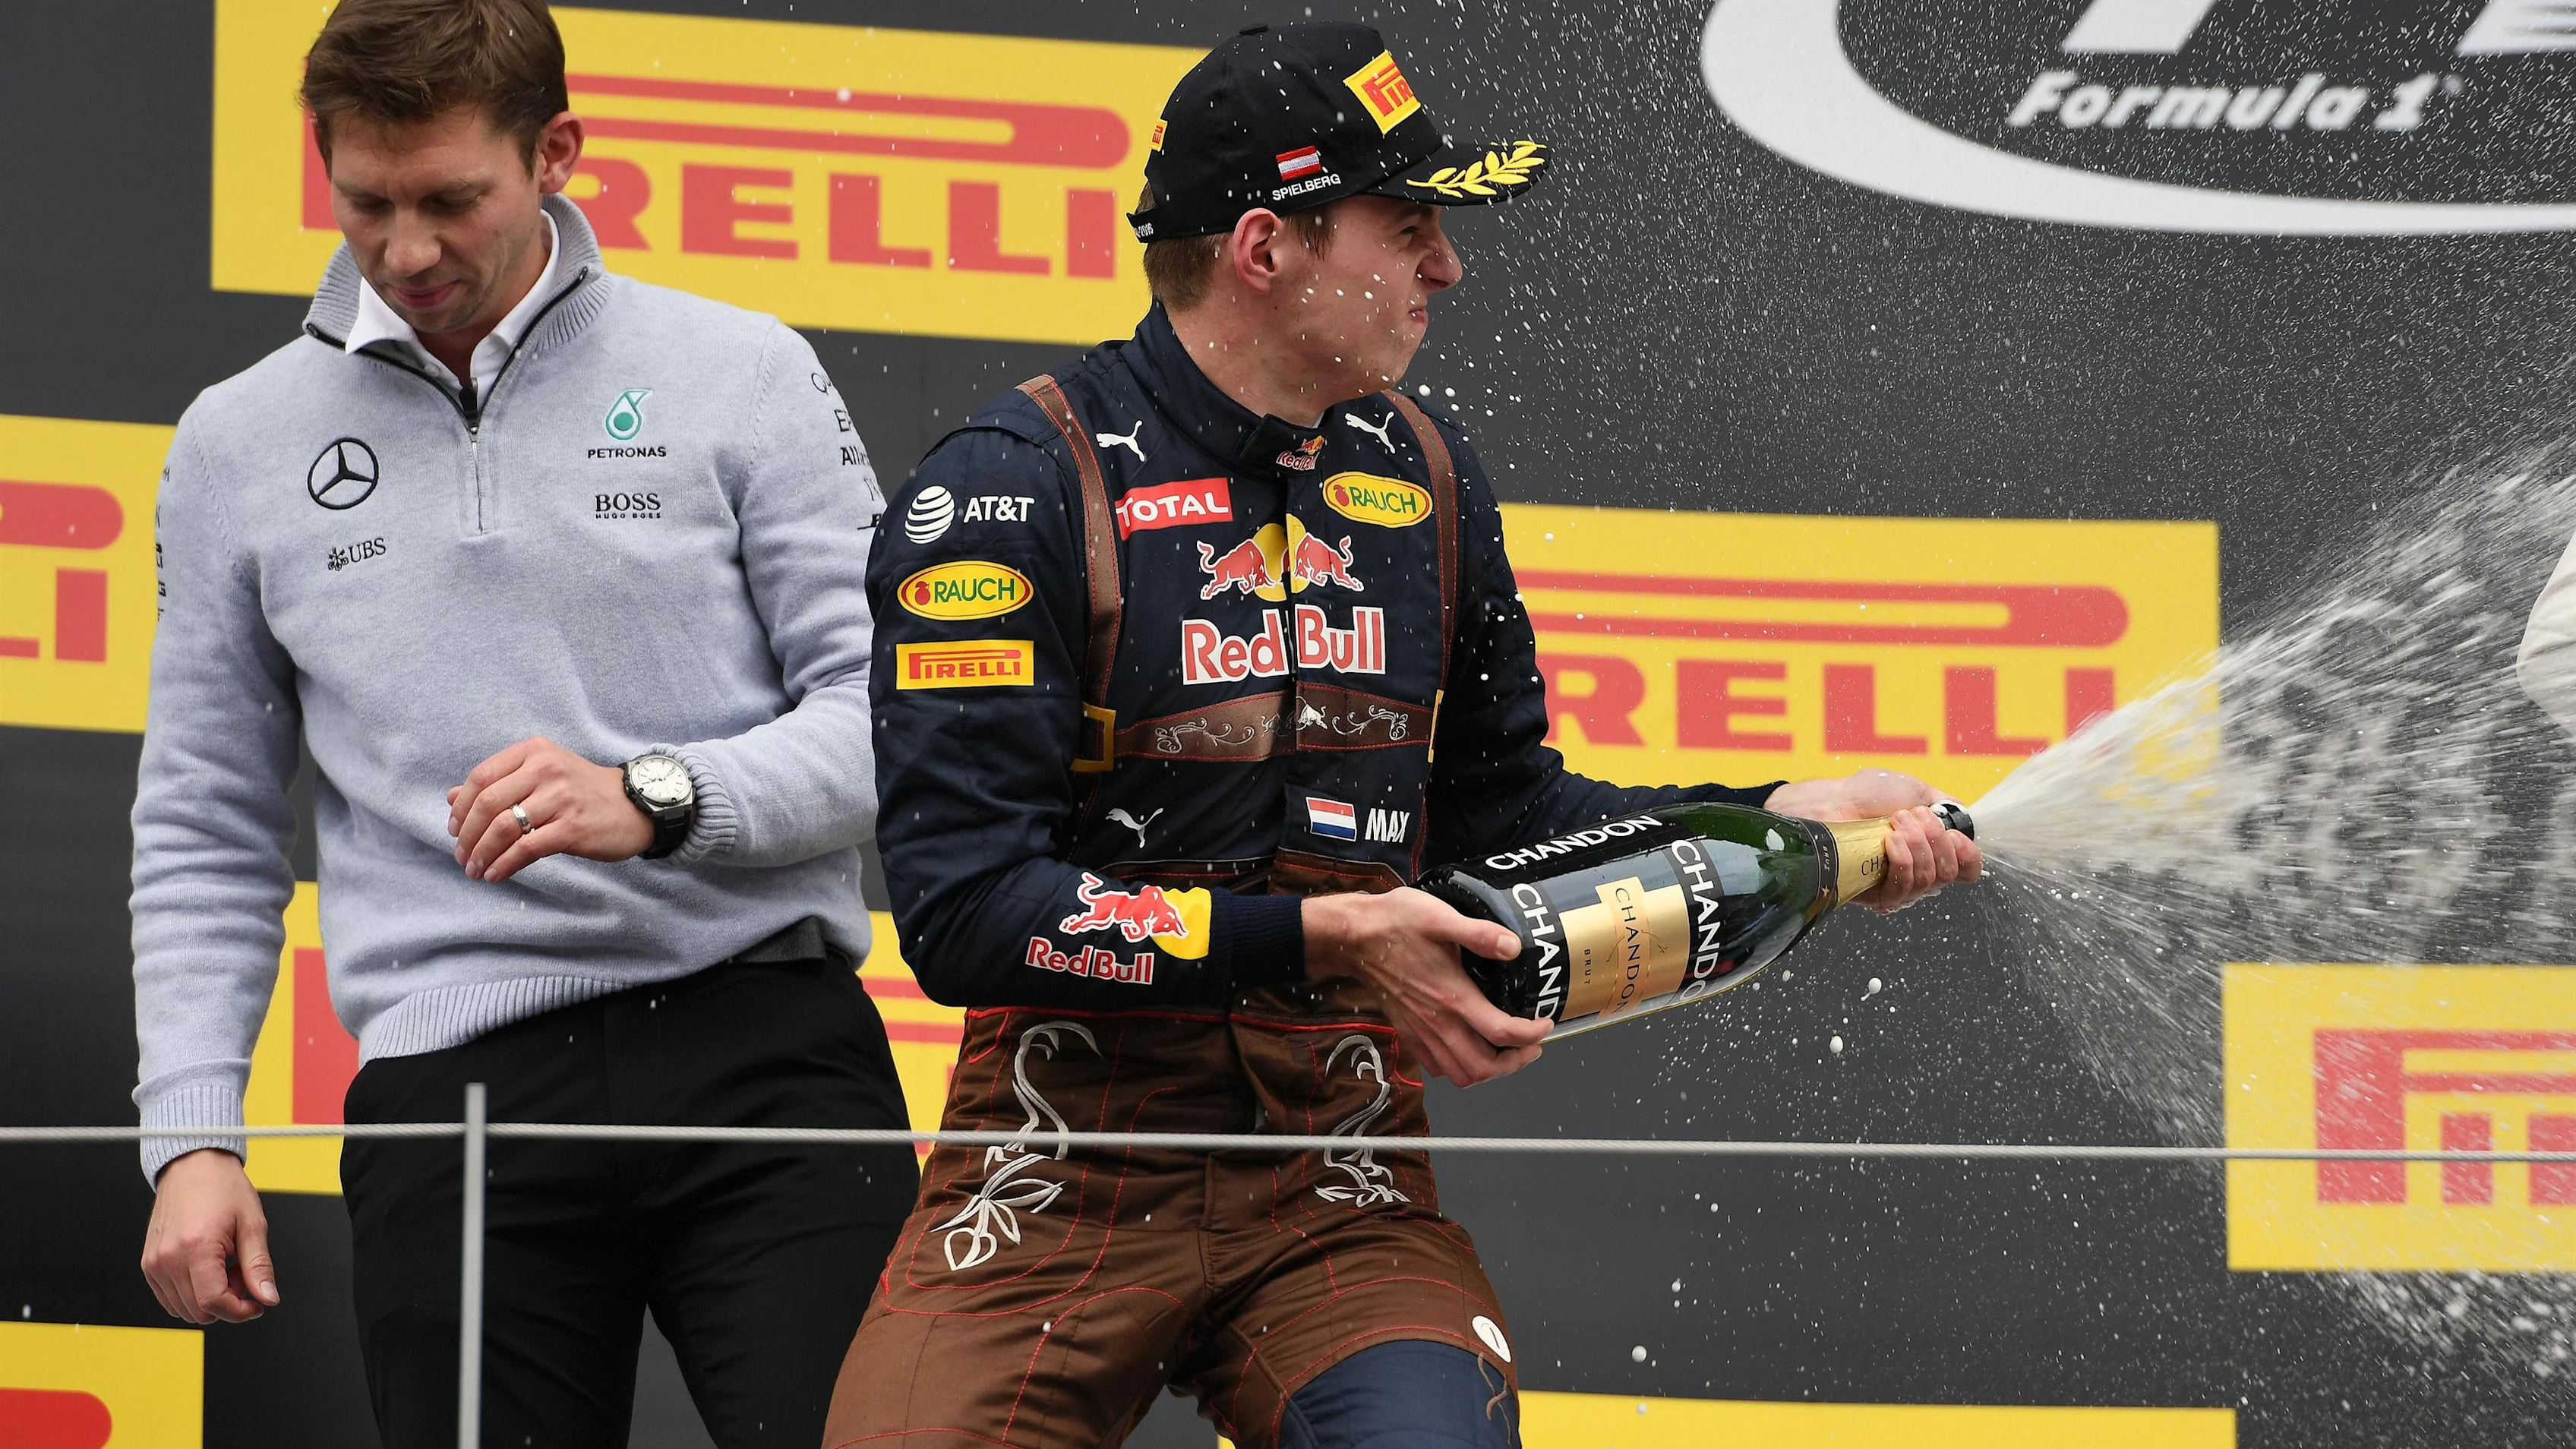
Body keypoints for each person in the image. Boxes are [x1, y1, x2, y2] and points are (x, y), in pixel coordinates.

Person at [826, 21, 1980, 1449]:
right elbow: (961, 912)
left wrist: (1777, 802)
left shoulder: (1422, 474)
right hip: (1064, 1176)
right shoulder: (1011, 489)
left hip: (1336, 1178)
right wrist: (1332, 939)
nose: (1447, 267)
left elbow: (1505, 815)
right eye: (1413, 225)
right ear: (1267, 249)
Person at [128, 1, 914, 1442]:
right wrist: (191, 1136)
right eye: (364, 202)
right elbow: (203, 823)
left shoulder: (740, 368)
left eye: (450, 200)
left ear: (556, 153)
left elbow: (899, 721)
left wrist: (660, 795)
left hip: (767, 1055)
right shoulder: (235, 442)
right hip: (453, 1090)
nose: (406, 250)